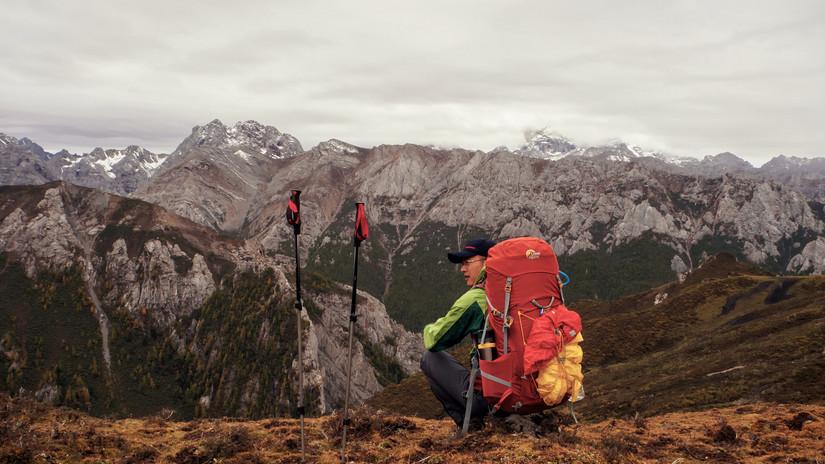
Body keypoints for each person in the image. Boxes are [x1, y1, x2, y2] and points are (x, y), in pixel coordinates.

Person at [420, 237, 496, 431]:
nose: (462, 269)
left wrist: (430, 327)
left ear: (487, 262)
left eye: (467, 262)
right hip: (524, 391)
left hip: (491, 395)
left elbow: (435, 340)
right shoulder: (513, 294)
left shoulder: (476, 299)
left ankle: (470, 424)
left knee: (430, 358)